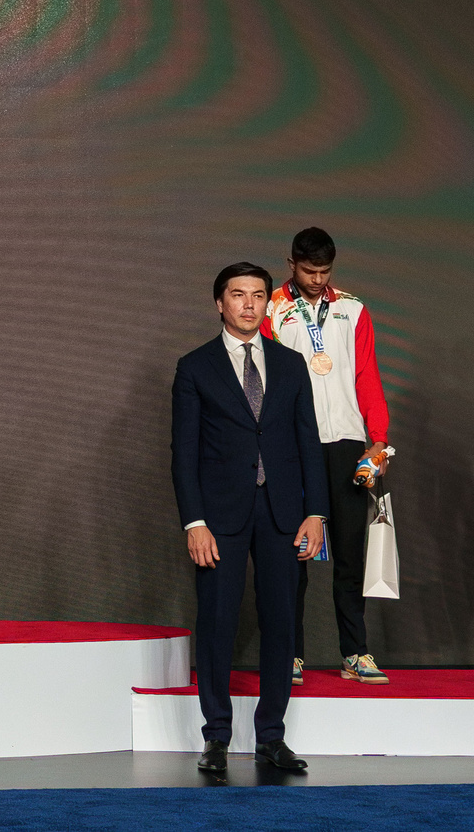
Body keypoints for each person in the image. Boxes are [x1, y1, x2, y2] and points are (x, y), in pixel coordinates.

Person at [173, 263, 328, 777]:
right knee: (217, 621)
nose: (248, 304)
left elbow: (308, 441)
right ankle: (216, 736)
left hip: (283, 513)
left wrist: (315, 512)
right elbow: (183, 453)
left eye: (258, 295)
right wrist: (194, 522)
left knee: (282, 621)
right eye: (238, 295)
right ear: (220, 303)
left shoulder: (290, 364)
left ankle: (271, 737)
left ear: (267, 303)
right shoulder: (195, 367)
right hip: (219, 516)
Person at [263, 227, 393, 686]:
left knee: (350, 554)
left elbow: (366, 375)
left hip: (347, 442)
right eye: (308, 271)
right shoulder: (272, 309)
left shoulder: (352, 309)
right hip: (294, 445)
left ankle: (355, 652)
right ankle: (291, 654)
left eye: (324, 272)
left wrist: (378, 440)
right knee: (294, 554)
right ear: (291, 264)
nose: (317, 280)